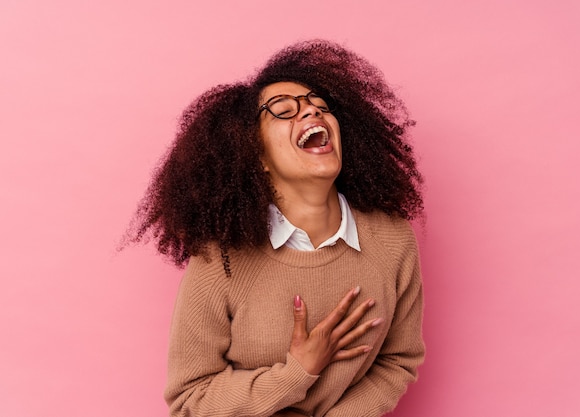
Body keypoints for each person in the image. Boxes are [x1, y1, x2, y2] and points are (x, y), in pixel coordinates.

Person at [127, 39, 425, 417]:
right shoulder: (221, 260)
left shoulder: (392, 239)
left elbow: (397, 361)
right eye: (284, 110)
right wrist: (298, 373)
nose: (312, 113)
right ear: (257, 155)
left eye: (321, 106)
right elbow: (191, 399)